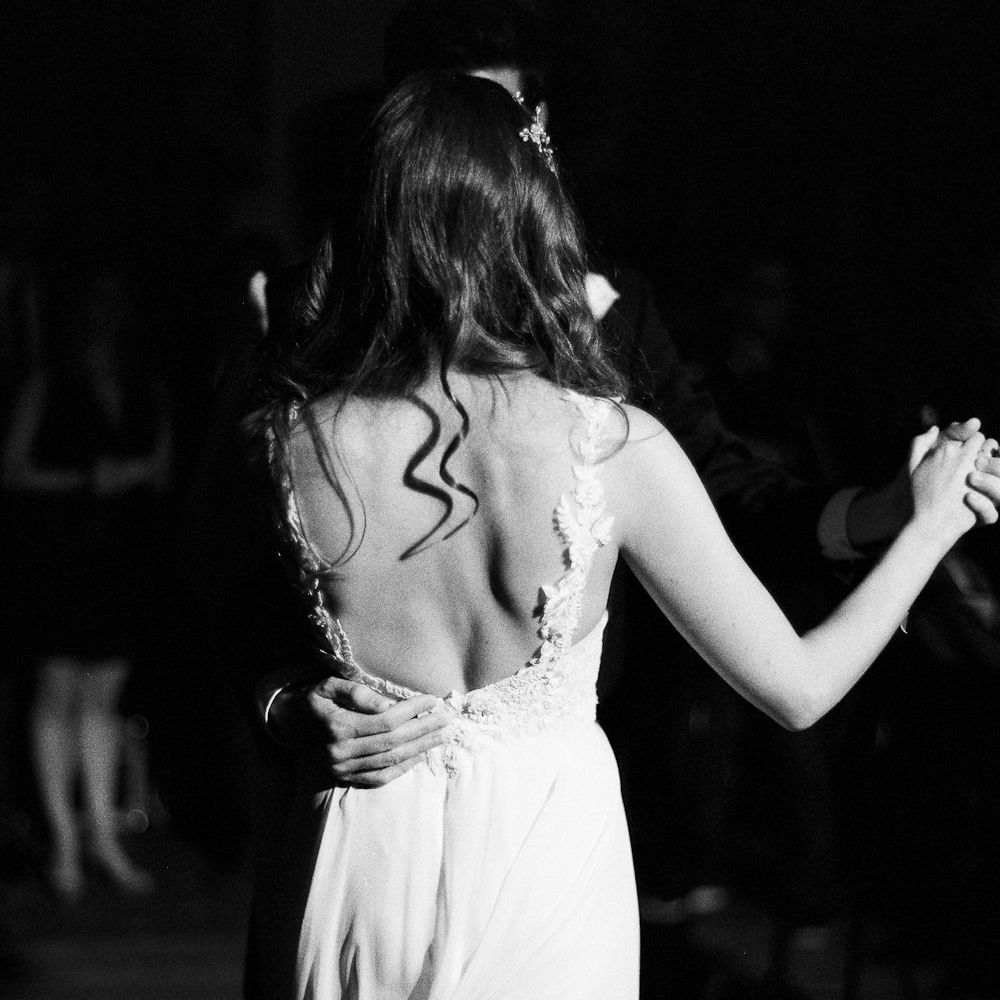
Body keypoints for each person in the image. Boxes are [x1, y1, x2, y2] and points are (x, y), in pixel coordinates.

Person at [237, 71, 998, 999]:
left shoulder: (288, 442)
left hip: (363, 859)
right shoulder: (614, 447)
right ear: (531, 221)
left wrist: (284, 703)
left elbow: (227, 642)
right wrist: (928, 527)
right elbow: (799, 690)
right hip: (545, 872)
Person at [2, 263, 171, 902]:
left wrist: (135, 474)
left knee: (105, 698)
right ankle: (64, 842)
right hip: (59, 555)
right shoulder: (47, 384)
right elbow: (13, 468)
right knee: (57, 693)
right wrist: (82, 479)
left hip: (120, 557)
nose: (107, 323)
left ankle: (102, 833)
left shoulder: (143, 386)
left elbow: (164, 466)